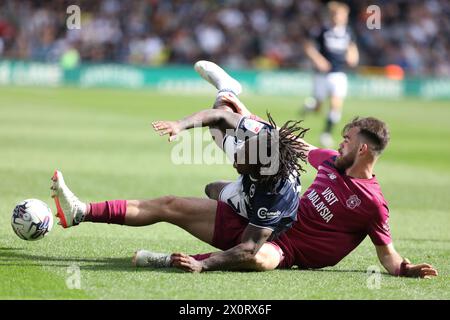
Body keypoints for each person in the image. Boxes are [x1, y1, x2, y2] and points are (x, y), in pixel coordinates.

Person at [51, 61, 438, 278]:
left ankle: (176, 247)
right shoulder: (325, 161)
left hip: (283, 243)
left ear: (364, 148)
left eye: (348, 139)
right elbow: (291, 144)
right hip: (260, 207)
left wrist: (405, 269)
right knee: (219, 137)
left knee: (257, 258)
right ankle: (81, 211)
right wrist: (237, 121)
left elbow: (386, 255)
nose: (340, 142)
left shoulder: (371, 203)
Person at [51, 61, 310, 271]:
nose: (237, 157)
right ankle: (81, 212)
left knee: (179, 202)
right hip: (249, 187)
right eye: (243, 148)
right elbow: (220, 118)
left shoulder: (276, 194)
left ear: (263, 167)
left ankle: (84, 213)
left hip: (250, 220)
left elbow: (248, 247)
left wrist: (204, 264)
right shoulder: (260, 138)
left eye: (244, 158)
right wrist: (179, 125)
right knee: (222, 111)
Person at [302, 1, 359, 148]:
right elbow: (308, 46)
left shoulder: (348, 32)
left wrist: (353, 56)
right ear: (332, 15)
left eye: (343, 15)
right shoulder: (321, 30)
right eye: (338, 15)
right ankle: (312, 106)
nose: (341, 18)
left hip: (339, 74)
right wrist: (318, 59)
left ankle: (326, 134)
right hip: (322, 75)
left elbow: (352, 47)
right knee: (318, 107)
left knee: (335, 104)